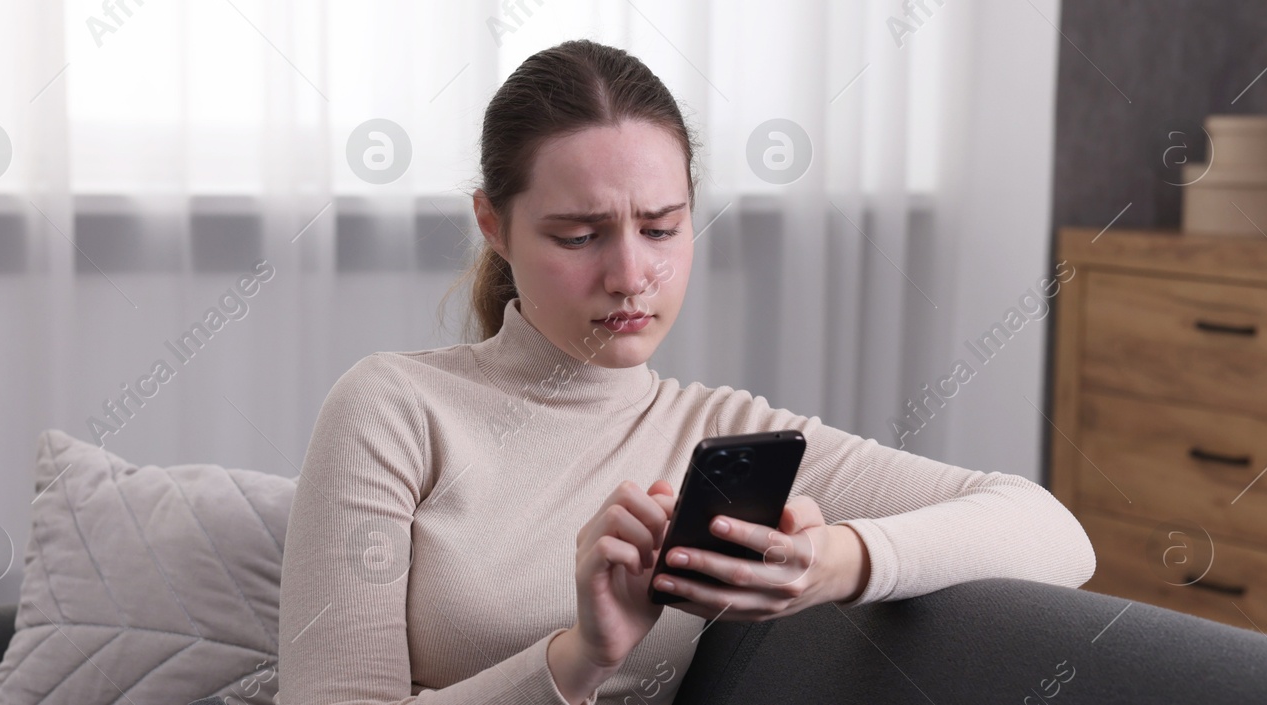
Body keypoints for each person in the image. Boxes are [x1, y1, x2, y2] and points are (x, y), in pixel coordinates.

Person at [277, 38, 1095, 705]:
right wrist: (578, 656)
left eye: (662, 228)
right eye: (577, 235)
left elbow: (1054, 533)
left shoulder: (722, 433)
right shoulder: (395, 407)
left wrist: (828, 562)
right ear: (493, 223)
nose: (631, 275)